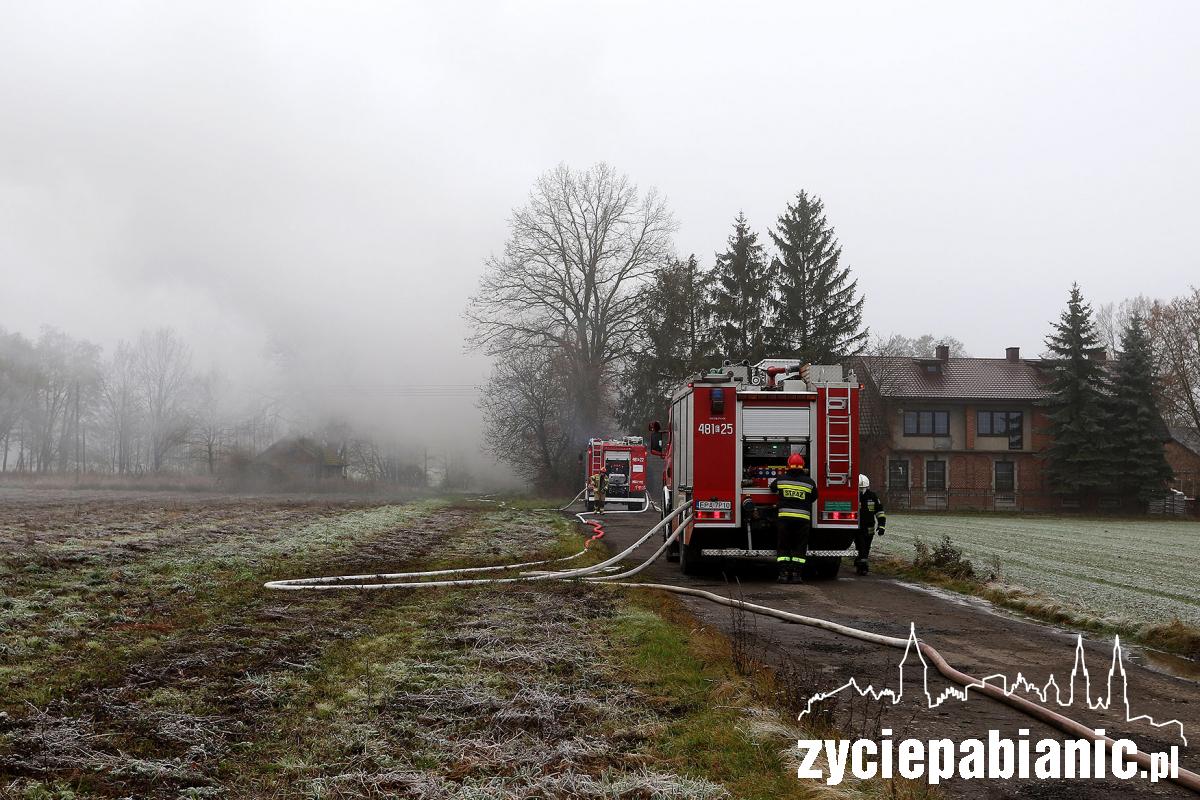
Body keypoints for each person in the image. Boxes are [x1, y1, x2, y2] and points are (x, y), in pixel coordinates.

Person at [769, 452, 818, 583]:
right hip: (803, 521)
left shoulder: (781, 479)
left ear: (788, 465)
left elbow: (772, 488)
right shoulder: (809, 482)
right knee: (799, 546)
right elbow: (814, 497)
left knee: (784, 545)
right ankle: (796, 574)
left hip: (784, 520)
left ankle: (783, 574)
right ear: (803, 466)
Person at [855, 474, 886, 575]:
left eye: (863, 488)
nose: (861, 490)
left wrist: (881, 526)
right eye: (859, 488)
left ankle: (861, 561)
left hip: (869, 527)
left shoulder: (872, 497)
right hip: (857, 527)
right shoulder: (853, 496)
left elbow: (879, 512)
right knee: (861, 545)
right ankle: (863, 566)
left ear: (867, 487)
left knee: (867, 546)